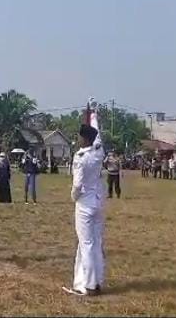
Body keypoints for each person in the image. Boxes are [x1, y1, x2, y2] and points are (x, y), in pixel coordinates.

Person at [65, 100, 105, 297]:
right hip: (98, 201)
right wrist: (94, 115)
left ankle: (88, 284)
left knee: (86, 244)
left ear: (84, 139)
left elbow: (77, 184)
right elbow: (98, 133)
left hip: (84, 203)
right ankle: (96, 281)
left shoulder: (80, 157)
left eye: (80, 137)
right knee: (96, 243)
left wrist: (73, 197)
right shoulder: (99, 152)